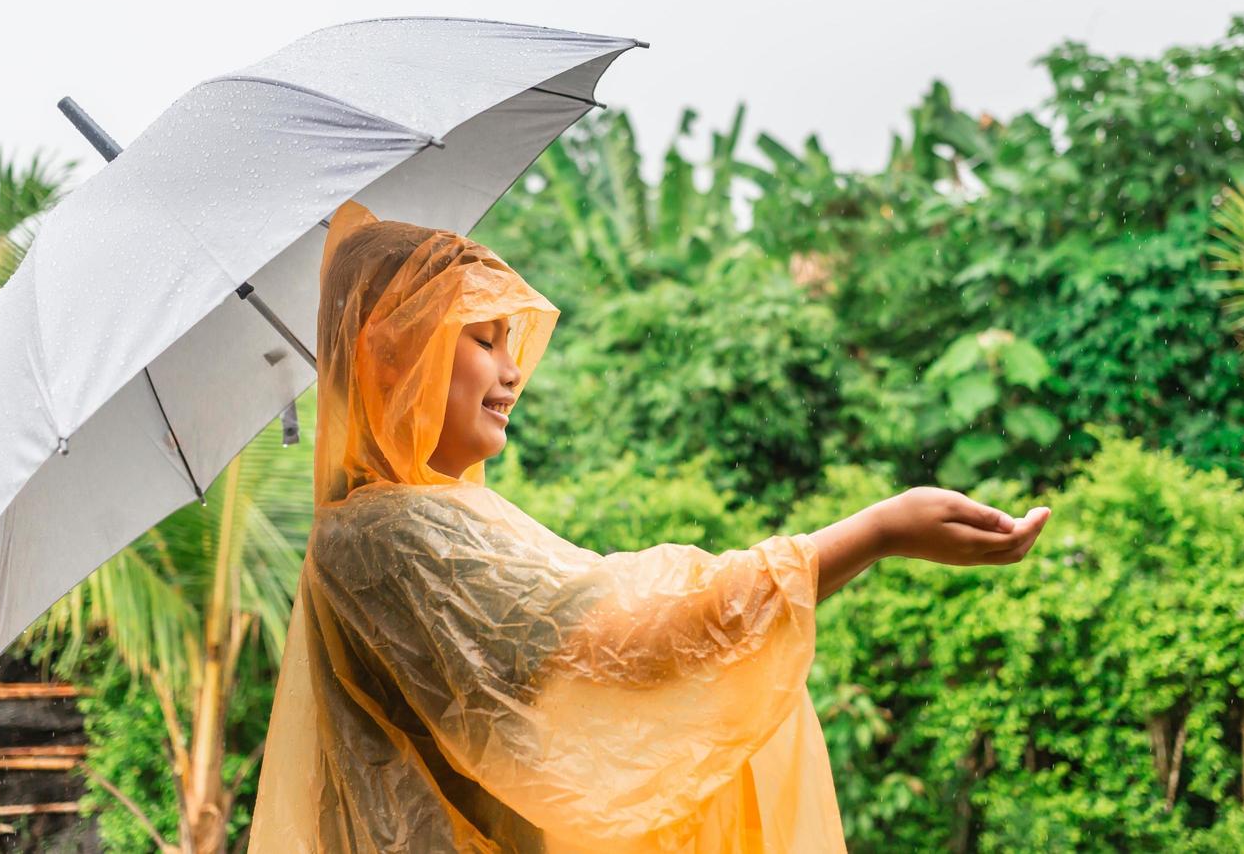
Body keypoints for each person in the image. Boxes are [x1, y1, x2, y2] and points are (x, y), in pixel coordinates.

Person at [248, 198, 1051, 852]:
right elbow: (637, 639)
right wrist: (879, 532)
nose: (512, 370)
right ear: (389, 356)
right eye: (483, 340)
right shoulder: (389, 536)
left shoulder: (423, 521)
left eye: (509, 341)